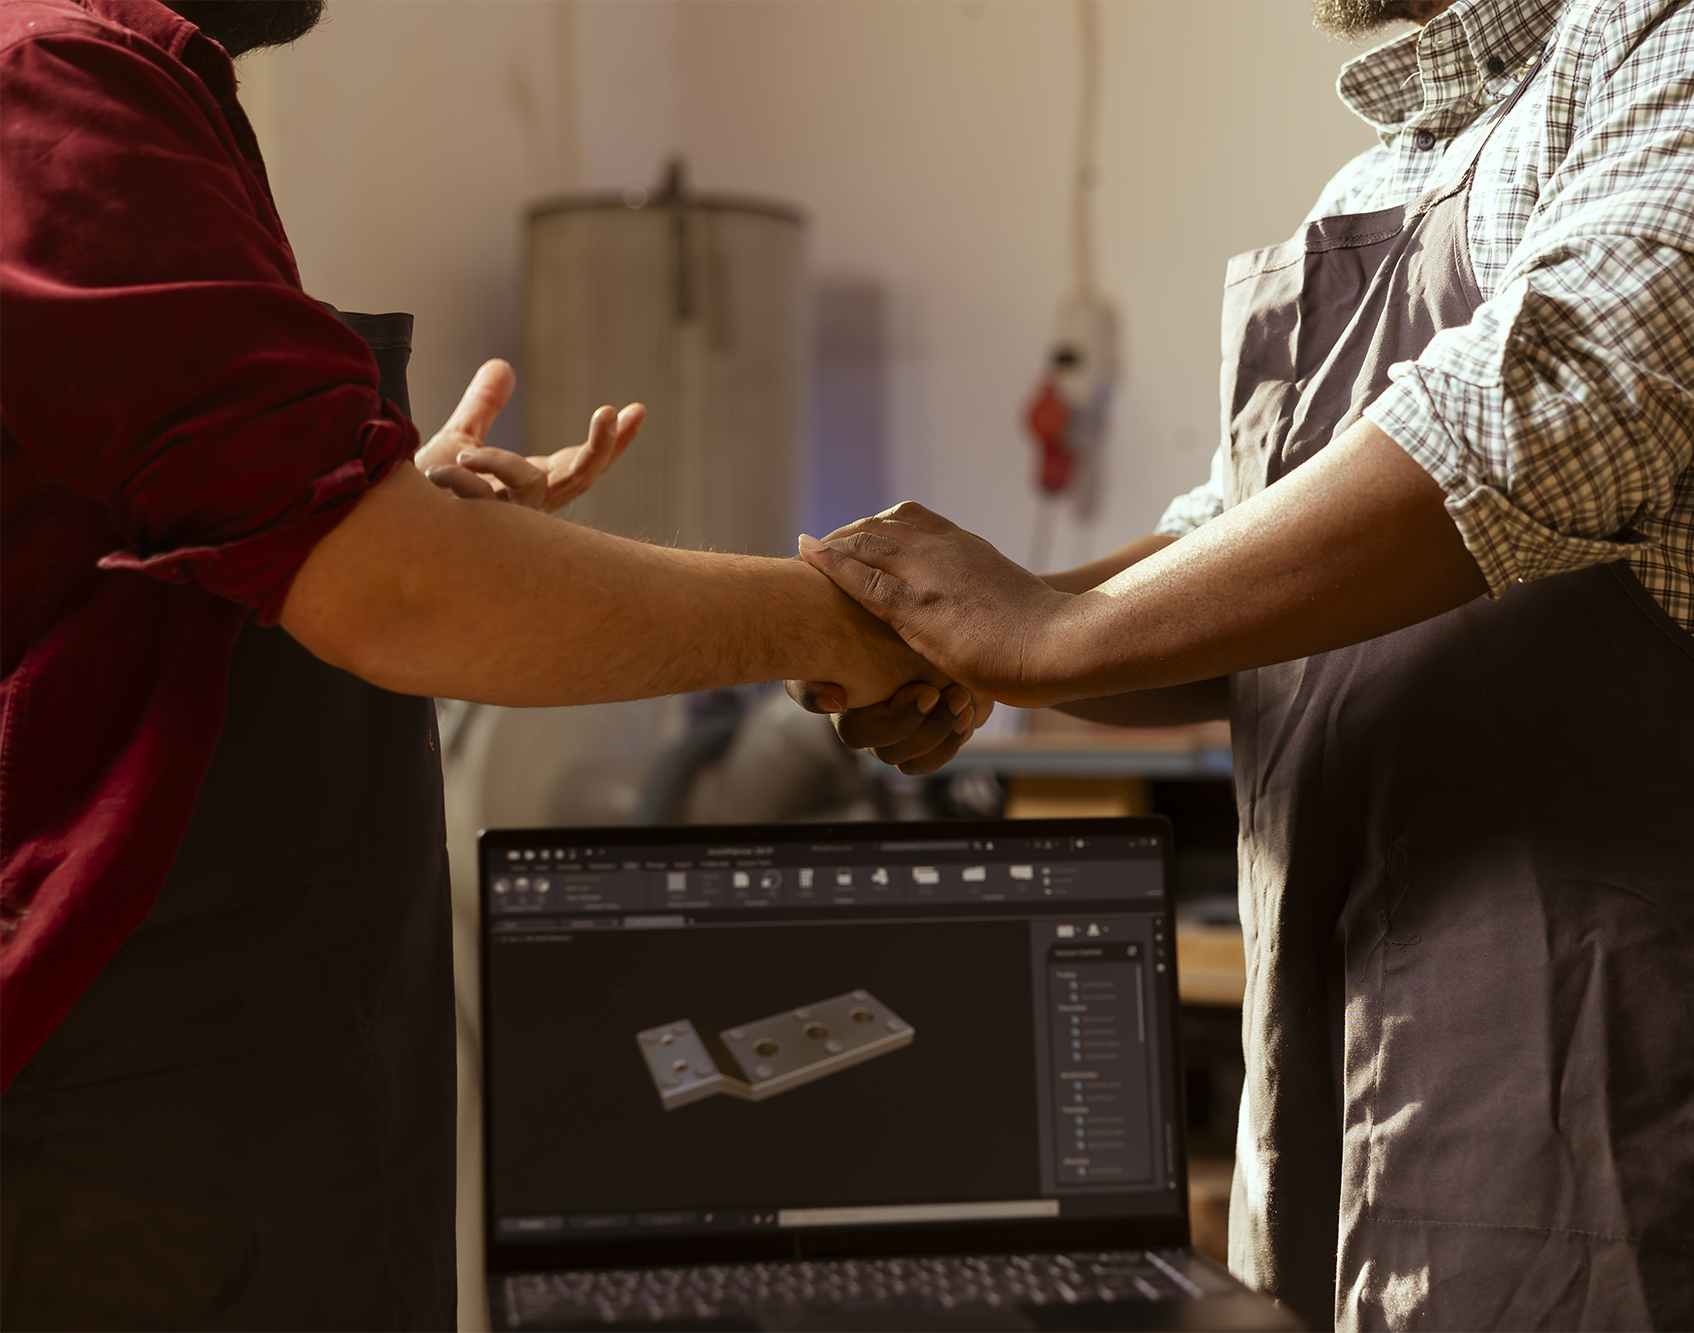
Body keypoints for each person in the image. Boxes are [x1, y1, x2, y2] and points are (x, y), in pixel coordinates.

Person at [799, 0, 1694, 1327]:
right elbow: (1243, 562)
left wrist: (1045, 634)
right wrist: (975, 634)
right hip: (1338, 1017)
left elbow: (1568, 397)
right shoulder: (1387, 176)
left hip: (1640, 1012)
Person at [0, 0, 974, 1326]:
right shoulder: (51, 75)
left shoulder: (134, 87)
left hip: (241, 1059)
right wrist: (844, 617)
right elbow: (396, 593)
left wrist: (393, 502)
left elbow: (127, 538)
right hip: (121, 1095)